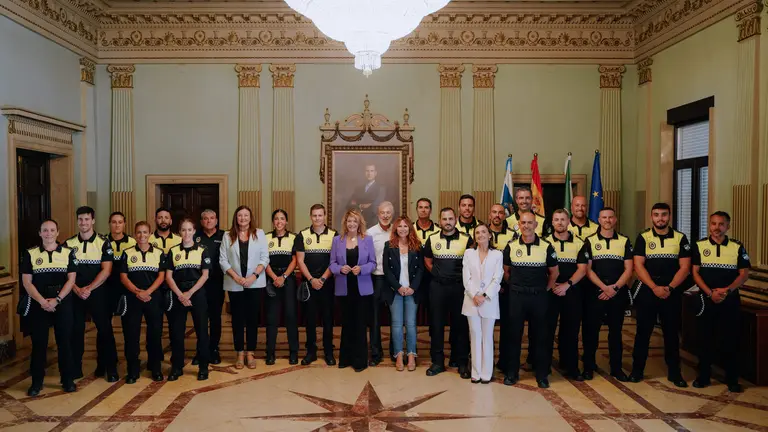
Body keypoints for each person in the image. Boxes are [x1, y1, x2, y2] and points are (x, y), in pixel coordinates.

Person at [629, 203, 691, 387]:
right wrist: (654, 287)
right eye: (656, 214)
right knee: (643, 332)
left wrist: (670, 288)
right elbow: (638, 265)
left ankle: (675, 373)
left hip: (671, 291)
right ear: (651, 217)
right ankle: (637, 370)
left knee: (671, 333)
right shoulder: (643, 237)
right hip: (648, 290)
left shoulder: (680, 238)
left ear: (669, 216)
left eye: (664, 214)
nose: (660, 218)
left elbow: (685, 267)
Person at [691, 211, 750, 393]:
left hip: (729, 300)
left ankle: (732, 379)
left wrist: (727, 290)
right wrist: (710, 293)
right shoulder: (699, 246)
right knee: (704, 339)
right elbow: (695, 273)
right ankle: (703, 376)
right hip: (706, 299)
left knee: (730, 339)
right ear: (709, 225)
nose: (717, 228)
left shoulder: (737, 247)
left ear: (728, 227)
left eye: (721, 224)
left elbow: (744, 274)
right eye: (714, 224)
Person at [20, 219, 77, 396]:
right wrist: (42, 301)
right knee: (39, 344)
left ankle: (67, 380)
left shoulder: (68, 253)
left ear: (57, 232)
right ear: (40, 233)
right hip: (39, 305)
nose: (49, 233)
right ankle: (36, 382)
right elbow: (27, 282)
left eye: (52, 230)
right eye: (45, 230)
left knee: (65, 343)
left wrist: (57, 300)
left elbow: (71, 280)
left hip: (62, 303)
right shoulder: (30, 254)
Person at [502, 211, 559, 388]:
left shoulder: (546, 246)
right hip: (517, 297)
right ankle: (512, 373)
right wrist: (514, 286)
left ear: (536, 225)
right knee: (513, 335)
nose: (526, 226)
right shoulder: (511, 246)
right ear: (519, 225)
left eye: (530, 223)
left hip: (538, 297)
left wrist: (545, 289)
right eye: (523, 223)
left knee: (541, 336)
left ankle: (541, 375)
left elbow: (554, 273)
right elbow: (505, 271)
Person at [65, 206, 118, 382]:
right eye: (80, 219)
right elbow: (65, 272)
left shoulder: (103, 242)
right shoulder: (69, 244)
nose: (83, 223)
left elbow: (107, 270)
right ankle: (75, 368)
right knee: (75, 331)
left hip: (98, 292)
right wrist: (77, 289)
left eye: (87, 219)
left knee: (105, 330)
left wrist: (89, 288)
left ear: (93, 220)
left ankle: (110, 368)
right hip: (75, 293)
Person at [582, 207, 633, 382]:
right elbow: (587, 270)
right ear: (599, 220)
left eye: (610, 217)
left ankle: (616, 368)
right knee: (591, 332)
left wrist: (614, 289)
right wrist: (604, 288)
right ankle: (588, 367)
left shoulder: (624, 241)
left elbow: (629, 269)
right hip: (595, 293)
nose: (607, 220)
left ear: (615, 219)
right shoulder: (590, 241)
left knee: (616, 332)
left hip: (617, 294)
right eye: (604, 217)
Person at [423, 207, 473, 379]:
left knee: (461, 325)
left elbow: (472, 263)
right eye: (444, 219)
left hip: (459, 288)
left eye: (451, 219)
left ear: (455, 220)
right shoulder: (432, 238)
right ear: (440, 220)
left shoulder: (466, 239)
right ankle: (437, 362)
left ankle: (461, 362)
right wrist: (437, 274)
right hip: (438, 287)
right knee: (436, 325)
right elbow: (427, 260)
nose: (448, 222)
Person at [219, 205, 269, 369]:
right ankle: (240, 353)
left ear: (250, 217)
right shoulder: (227, 236)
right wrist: (236, 277)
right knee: (237, 319)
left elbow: (265, 258)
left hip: (255, 283)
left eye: (246, 215)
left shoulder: (259, 233)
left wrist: (253, 276)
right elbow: (223, 260)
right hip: (235, 283)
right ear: (236, 217)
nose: (243, 218)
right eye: (240, 215)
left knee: (253, 319)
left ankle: (251, 353)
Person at [544, 209, 589, 381]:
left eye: (563, 219)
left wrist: (566, 285)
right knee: (547, 331)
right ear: (552, 222)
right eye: (556, 219)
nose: (560, 223)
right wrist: (552, 284)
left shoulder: (579, 243)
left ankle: (571, 367)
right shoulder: (544, 242)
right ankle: (544, 367)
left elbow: (582, 269)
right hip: (550, 292)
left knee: (570, 331)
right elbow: (541, 267)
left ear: (569, 221)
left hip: (572, 291)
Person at [330, 210, 377, 372]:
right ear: (345, 223)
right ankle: (345, 358)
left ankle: (360, 361)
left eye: (354, 221)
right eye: (349, 221)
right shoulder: (337, 240)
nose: (351, 224)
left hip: (362, 288)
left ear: (359, 224)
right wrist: (339, 269)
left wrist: (362, 269)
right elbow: (332, 264)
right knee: (347, 323)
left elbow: (373, 263)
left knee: (360, 324)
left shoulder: (367, 240)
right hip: (344, 288)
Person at [166, 218, 212, 381]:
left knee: (202, 331)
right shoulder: (173, 251)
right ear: (180, 232)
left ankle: (203, 367)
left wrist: (190, 293)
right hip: (178, 293)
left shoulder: (202, 250)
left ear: (194, 231)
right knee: (176, 332)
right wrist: (180, 294)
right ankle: (177, 367)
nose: (186, 233)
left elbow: (205, 275)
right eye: (183, 230)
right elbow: (168, 276)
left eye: (189, 230)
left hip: (197, 293)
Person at [119, 221, 166, 383]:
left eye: (145, 232)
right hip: (133, 298)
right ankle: (133, 370)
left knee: (155, 333)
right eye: (139, 232)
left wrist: (148, 292)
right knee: (131, 334)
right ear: (134, 235)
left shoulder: (159, 253)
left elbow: (161, 276)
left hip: (153, 297)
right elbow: (123, 277)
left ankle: (156, 368)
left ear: (150, 234)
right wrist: (137, 292)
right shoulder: (127, 253)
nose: (142, 235)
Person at [296, 204, 338, 366]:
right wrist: (312, 280)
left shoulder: (334, 235)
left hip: (327, 284)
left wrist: (322, 279)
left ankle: (328, 352)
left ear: (325, 216)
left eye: (320, 215)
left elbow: (335, 260)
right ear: (310, 216)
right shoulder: (302, 235)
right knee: (310, 319)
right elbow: (300, 261)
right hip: (309, 284)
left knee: (328, 319)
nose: (317, 218)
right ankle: (311, 352)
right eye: (314, 215)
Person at [462, 224, 503, 384]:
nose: (480, 235)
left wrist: (484, 296)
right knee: (475, 335)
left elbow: (497, 278)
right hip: (471, 300)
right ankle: (476, 372)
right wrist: (474, 295)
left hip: (489, 301)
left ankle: (486, 373)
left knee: (487, 337)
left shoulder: (497, 255)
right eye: (477, 232)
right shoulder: (468, 253)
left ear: (490, 235)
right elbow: (466, 277)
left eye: (484, 232)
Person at [383, 216, 424, 372]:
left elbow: (421, 269)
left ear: (410, 229)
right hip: (395, 291)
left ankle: (412, 354)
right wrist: (398, 287)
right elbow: (386, 270)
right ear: (395, 229)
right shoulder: (389, 246)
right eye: (399, 226)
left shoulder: (417, 246)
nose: (402, 229)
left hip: (412, 291)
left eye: (405, 226)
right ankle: (399, 354)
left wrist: (413, 287)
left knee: (411, 324)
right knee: (397, 324)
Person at [264, 209, 300, 365]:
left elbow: (295, 260)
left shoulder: (294, 237)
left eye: (282, 218)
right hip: (271, 280)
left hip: (288, 279)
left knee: (291, 316)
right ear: (273, 222)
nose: (279, 222)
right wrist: (274, 278)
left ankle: (293, 352)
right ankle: (270, 353)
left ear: (286, 221)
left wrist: (283, 277)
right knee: (272, 317)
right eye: (276, 219)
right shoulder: (265, 237)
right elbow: (264, 260)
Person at [193, 209, 225, 365]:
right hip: (199, 284)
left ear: (216, 220)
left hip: (217, 283)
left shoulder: (224, 236)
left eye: (212, 218)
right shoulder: (195, 236)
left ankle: (213, 349)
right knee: (200, 318)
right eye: (205, 218)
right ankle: (201, 350)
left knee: (215, 318)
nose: (209, 221)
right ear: (201, 222)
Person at [487, 203, 516, 373]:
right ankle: (486, 361)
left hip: (506, 288)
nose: (497, 215)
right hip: (486, 289)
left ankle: (504, 361)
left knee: (507, 326)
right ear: (489, 215)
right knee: (486, 326)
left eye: (500, 213)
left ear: (504, 216)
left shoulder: (513, 235)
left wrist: (506, 283)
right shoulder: (482, 233)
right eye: (494, 212)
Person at [365, 201, 393, 366]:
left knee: (394, 318)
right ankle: (375, 353)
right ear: (378, 214)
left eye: (388, 212)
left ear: (392, 214)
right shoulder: (370, 233)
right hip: (376, 279)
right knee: (374, 319)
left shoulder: (397, 231)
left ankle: (395, 351)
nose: (385, 215)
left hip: (393, 281)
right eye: (382, 212)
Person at [106, 212, 136, 315]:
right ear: (109, 224)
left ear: (124, 224)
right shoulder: (103, 242)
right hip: (107, 287)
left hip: (127, 287)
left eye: (120, 222)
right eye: (114, 222)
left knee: (128, 319)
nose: (117, 225)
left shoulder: (133, 242)